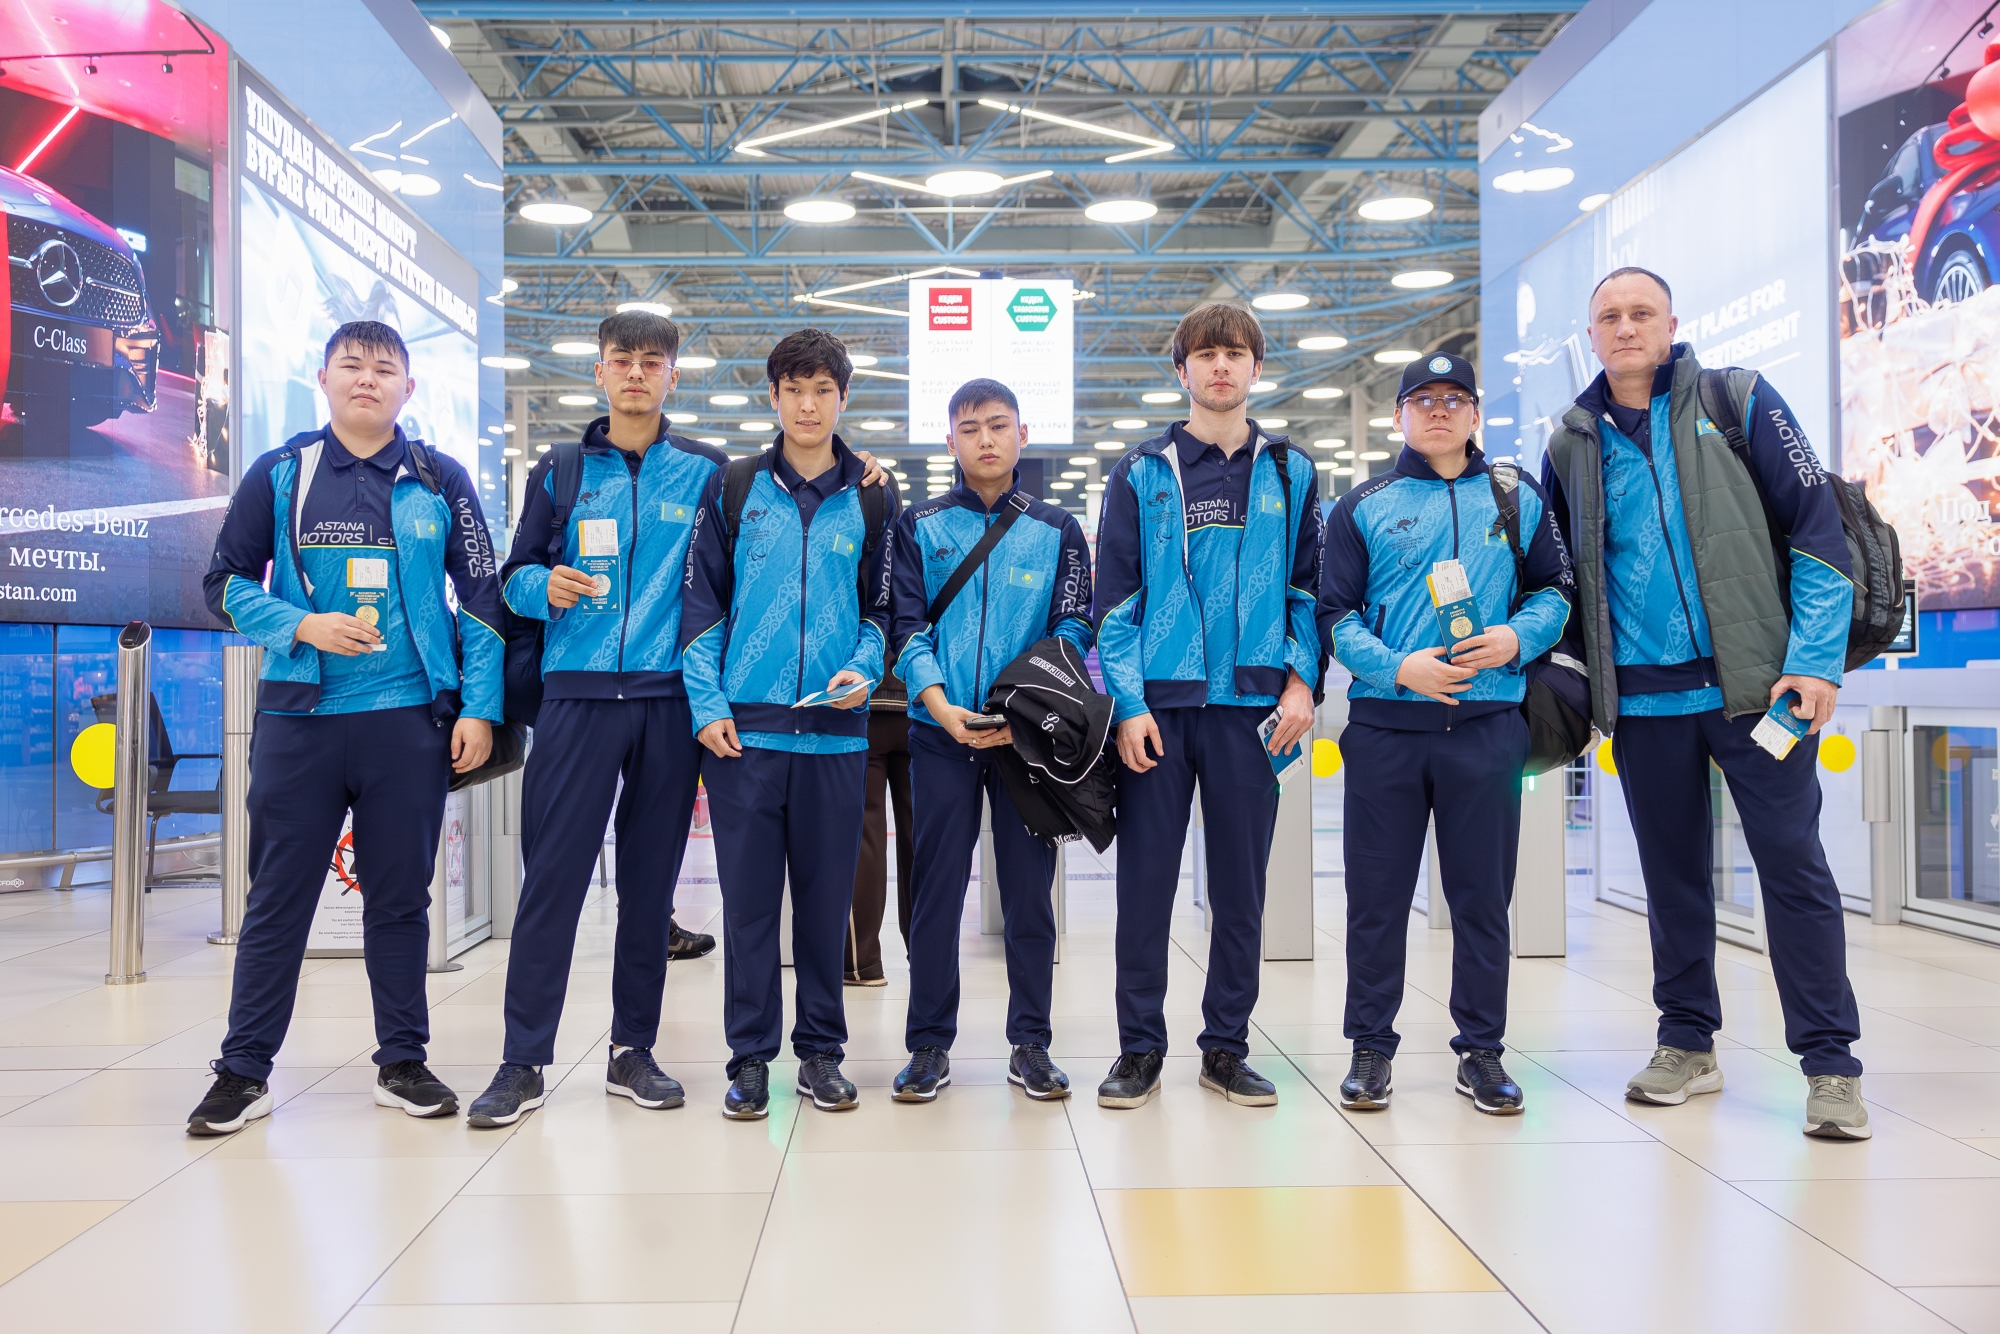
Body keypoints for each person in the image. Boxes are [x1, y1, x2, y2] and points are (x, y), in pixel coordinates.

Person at [1543, 266, 1870, 1139]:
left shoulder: (1739, 401)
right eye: (1608, 316)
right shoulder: (1569, 443)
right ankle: (1687, 1041)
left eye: (1640, 312)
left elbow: (1819, 532)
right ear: (1591, 334)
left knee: (1792, 870)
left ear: (1671, 322)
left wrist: (1816, 663)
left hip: (1757, 691)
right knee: (1672, 876)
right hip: (1646, 704)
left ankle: (1831, 1064)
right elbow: (1563, 580)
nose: (1625, 327)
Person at [188, 321, 502, 1135]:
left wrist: (479, 706)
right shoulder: (280, 473)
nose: (368, 378)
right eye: (352, 365)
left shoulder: (440, 479)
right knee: (277, 901)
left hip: (409, 724)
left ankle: (403, 1062)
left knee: (399, 903)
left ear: (407, 387)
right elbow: (222, 584)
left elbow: (482, 599)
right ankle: (243, 1071)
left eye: (384, 368)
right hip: (301, 723)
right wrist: (300, 624)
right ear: (323, 378)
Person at [466, 311, 728, 1128]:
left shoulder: (710, 474)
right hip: (575, 697)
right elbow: (513, 578)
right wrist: (542, 587)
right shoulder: (562, 468)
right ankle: (522, 1061)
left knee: (650, 890)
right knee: (551, 883)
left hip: (667, 700)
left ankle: (632, 1050)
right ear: (600, 372)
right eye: (623, 360)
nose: (637, 374)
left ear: (674, 376)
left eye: (653, 361)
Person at [1317, 352, 1573, 1115]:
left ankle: (1482, 1052)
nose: (1438, 411)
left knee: (1482, 901)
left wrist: (1517, 638)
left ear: (1475, 413)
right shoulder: (1363, 505)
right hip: (1386, 731)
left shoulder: (1515, 496)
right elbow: (1335, 617)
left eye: (1453, 398)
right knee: (1376, 900)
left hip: (1488, 729)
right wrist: (1400, 668)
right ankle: (1371, 1047)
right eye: (1422, 399)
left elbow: (1556, 591)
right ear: (1399, 415)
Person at [1092, 301, 1321, 1110]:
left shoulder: (1290, 472)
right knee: (1144, 890)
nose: (1221, 366)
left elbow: (1306, 592)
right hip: (1158, 712)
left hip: (1252, 713)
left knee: (1241, 893)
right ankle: (1139, 1048)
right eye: (1206, 354)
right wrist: (1127, 704)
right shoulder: (1141, 472)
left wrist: (1302, 681)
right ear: (1181, 370)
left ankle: (1226, 1047)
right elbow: (1115, 604)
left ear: (1256, 368)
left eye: (1235, 353)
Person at [681, 328, 899, 1119]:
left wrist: (865, 668)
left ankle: (821, 1054)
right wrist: (708, 705)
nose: (808, 405)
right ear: (772, 397)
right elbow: (700, 605)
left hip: (835, 736)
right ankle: (749, 1060)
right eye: (794, 390)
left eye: (823, 391)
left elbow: (884, 608)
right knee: (747, 909)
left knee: (824, 903)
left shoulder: (872, 495)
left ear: (843, 398)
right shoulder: (735, 487)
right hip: (745, 737)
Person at [888, 378, 1094, 1103]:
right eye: (970, 428)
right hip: (939, 732)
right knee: (935, 889)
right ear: (950, 441)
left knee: (1029, 893)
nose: (985, 439)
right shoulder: (918, 526)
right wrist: (939, 705)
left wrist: (1025, 708)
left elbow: (1074, 626)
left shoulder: (1059, 529)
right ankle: (928, 1044)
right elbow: (906, 626)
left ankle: (1030, 1042)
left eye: (998, 426)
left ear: (1022, 435)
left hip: (1024, 739)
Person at [845, 645, 912, 988]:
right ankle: (929, 955)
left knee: (864, 834)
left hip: (862, 700)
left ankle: (861, 963)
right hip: (923, 701)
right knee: (922, 834)